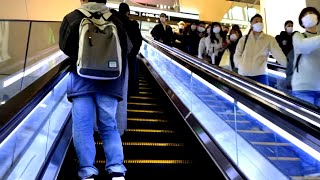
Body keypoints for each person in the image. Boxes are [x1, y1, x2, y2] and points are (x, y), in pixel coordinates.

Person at [59, 0, 128, 179]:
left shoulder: (72, 17)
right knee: (109, 126)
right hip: (110, 82)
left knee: (83, 127)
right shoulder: (117, 20)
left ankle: (87, 171)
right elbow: (126, 49)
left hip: (81, 80)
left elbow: (64, 47)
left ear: (83, 0)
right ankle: (117, 169)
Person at [234, 14, 287, 85]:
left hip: (260, 74)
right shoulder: (244, 39)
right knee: (243, 95)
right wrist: (239, 65)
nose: (259, 23)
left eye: (261, 21)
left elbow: (278, 54)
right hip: (244, 74)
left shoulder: (269, 39)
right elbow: (237, 54)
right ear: (251, 24)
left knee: (262, 94)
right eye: (256, 21)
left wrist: (288, 65)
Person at [291, 7, 320, 106]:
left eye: (311, 13)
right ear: (301, 22)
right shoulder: (298, 36)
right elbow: (304, 47)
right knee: (304, 121)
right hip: (303, 88)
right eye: (305, 15)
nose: (309, 16)